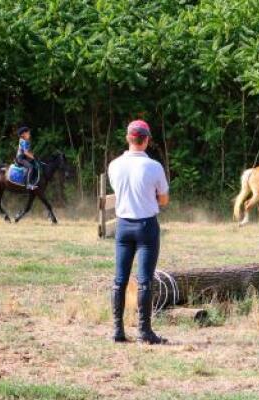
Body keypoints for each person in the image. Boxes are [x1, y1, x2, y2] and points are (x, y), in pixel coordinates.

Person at [108, 119, 170, 345]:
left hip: (123, 225)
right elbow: (163, 199)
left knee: (119, 279)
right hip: (146, 227)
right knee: (144, 281)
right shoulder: (154, 167)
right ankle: (144, 332)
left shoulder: (114, 165)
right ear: (146, 140)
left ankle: (117, 330)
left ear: (128, 138)